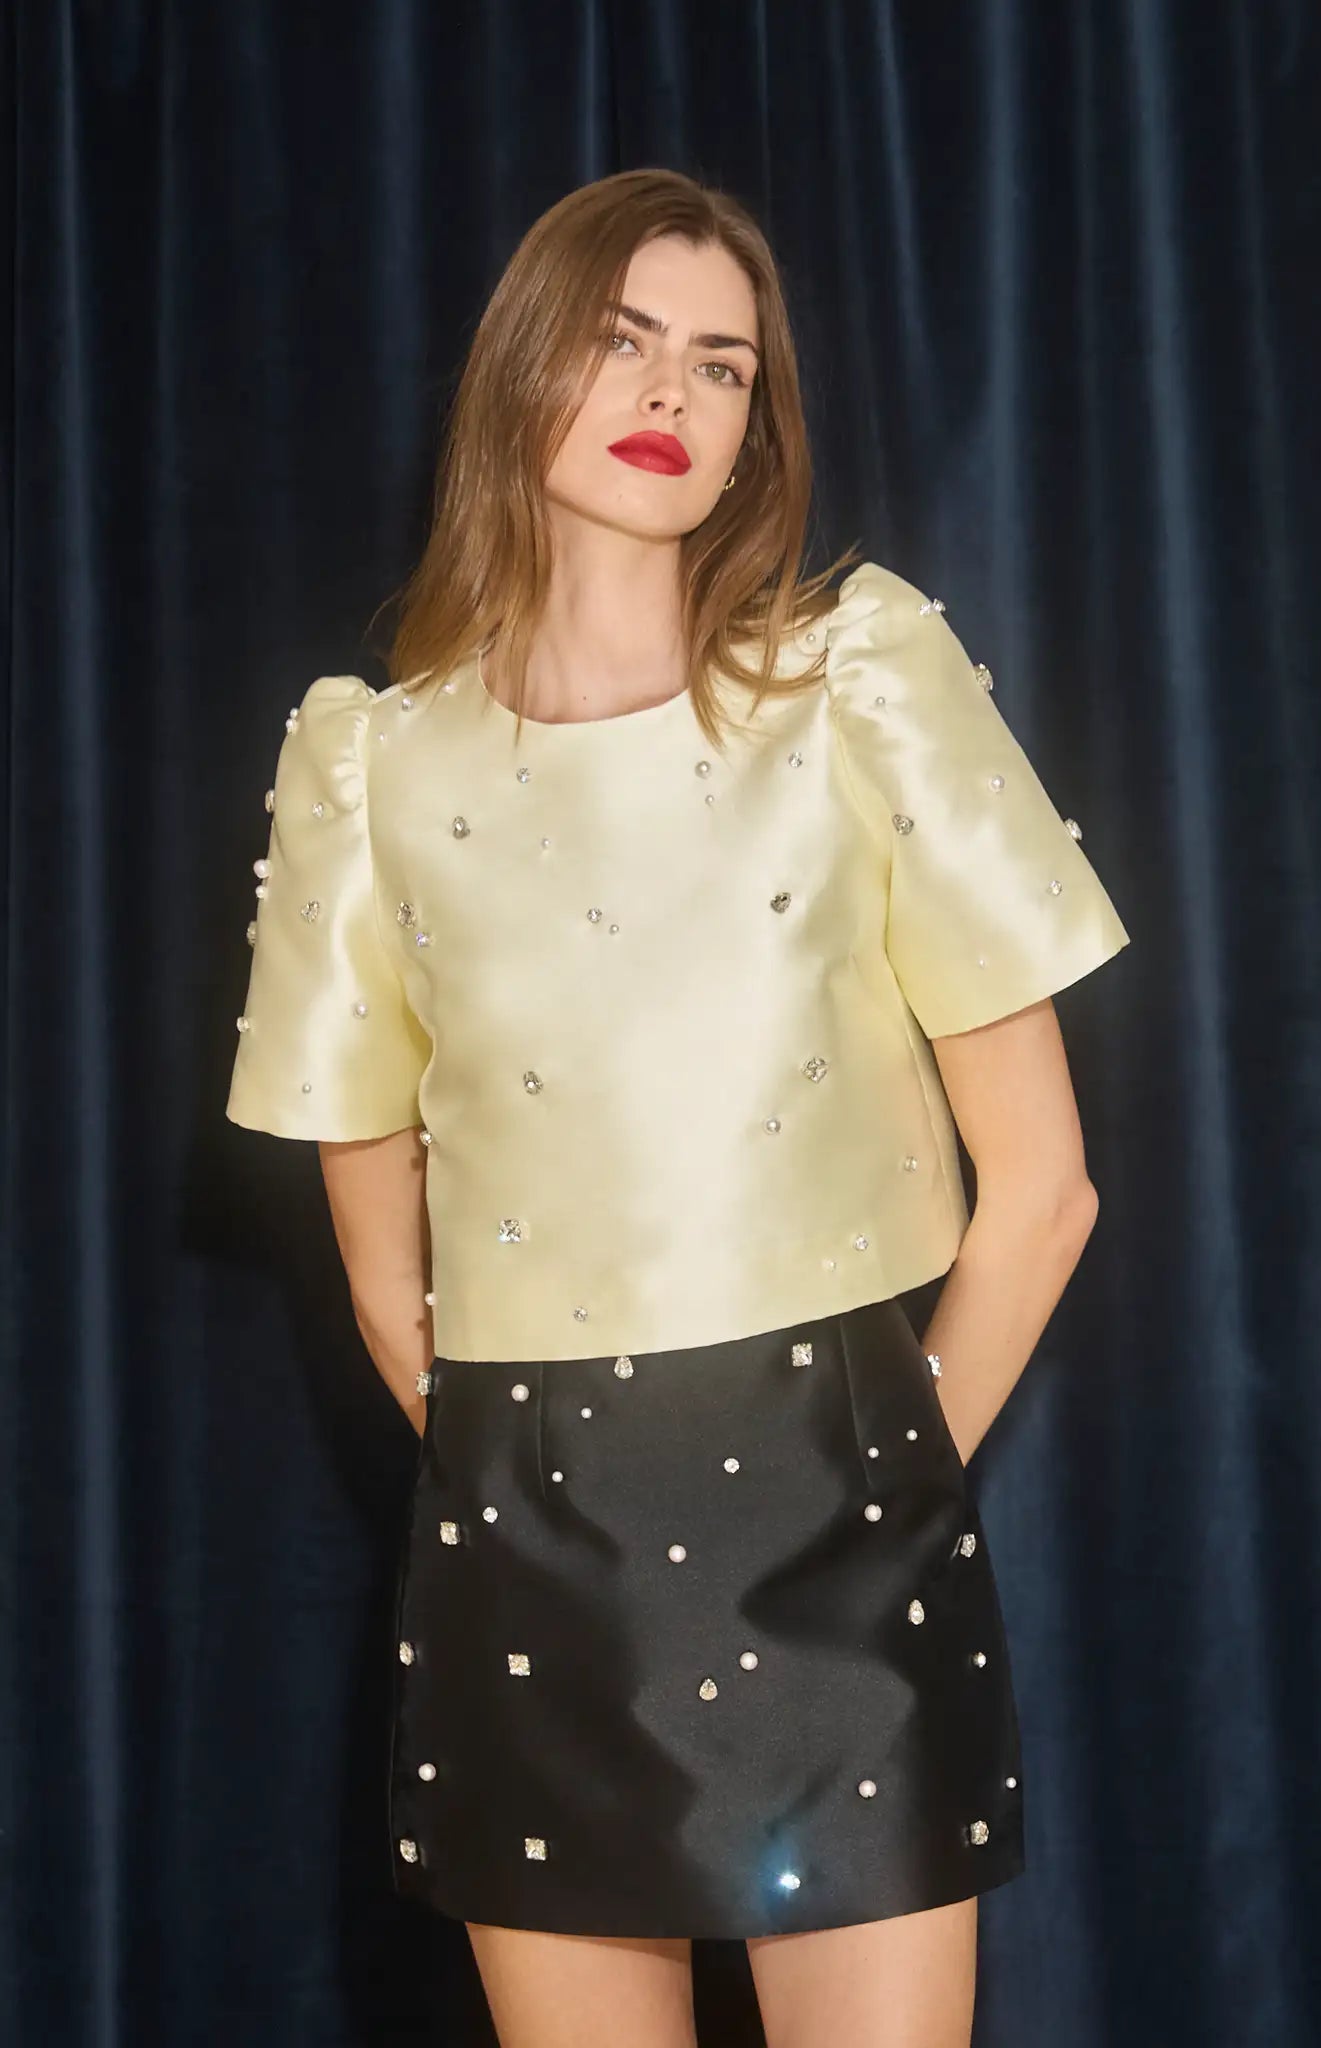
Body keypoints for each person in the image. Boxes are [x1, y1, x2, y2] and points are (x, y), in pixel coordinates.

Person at [226, 168, 1130, 2048]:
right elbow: (389, 1277)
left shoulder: (860, 694)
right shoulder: (372, 769)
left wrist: (873, 1495)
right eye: (626, 339)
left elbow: (1041, 1188)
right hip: (531, 1573)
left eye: (721, 365)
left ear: (750, 432)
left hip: (849, 1547)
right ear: (523, 369)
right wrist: (546, 1493)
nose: (673, 392)